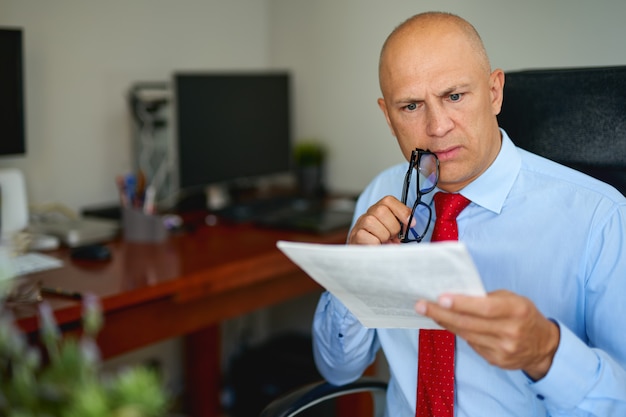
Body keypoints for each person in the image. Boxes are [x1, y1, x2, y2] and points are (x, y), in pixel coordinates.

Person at [312, 11, 626, 416]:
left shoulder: (601, 218)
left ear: (494, 92)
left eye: (455, 96)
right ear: (388, 117)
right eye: (410, 106)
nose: (438, 126)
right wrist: (351, 281)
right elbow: (337, 370)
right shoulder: (381, 195)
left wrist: (547, 353)